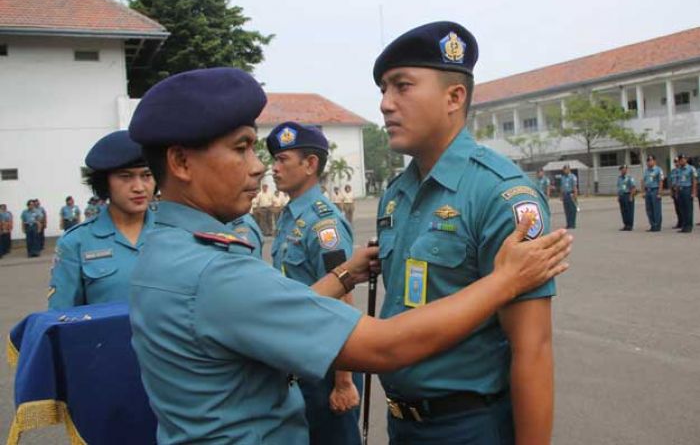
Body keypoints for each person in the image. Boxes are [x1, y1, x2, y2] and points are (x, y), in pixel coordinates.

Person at [126, 67, 571, 444]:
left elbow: (533, 346)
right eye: (241, 148)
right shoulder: (211, 269)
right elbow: (384, 346)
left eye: (403, 86)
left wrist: (342, 274)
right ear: (181, 163)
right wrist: (505, 280)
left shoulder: (166, 247)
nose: (260, 165)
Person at [373, 21, 560, 444]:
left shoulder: (501, 193)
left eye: (402, 86)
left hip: (468, 427)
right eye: (383, 89)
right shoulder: (396, 196)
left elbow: (532, 350)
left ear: (454, 97)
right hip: (402, 424)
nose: (385, 103)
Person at [268, 121, 362, 445]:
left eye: (283, 160)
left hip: (328, 367)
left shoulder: (324, 223)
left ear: (310, 165)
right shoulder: (291, 216)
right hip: (302, 359)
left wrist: (344, 381)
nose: (274, 168)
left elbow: (342, 297)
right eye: (275, 160)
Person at [48, 130, 155, 310]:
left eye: (146, 175)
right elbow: (62, 316)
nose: (139, 187)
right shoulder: (76, 242)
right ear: (104, 184)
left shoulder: (175, 232)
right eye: (125, 176)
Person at [641, 154, 663, 232]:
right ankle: (653, 225)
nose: (649, 162)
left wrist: (659, 193)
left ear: (654, 161)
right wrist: (643, 191)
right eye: (648, 161)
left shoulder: (658, 170)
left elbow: (661, 181)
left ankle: (657, 226)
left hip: (655, 190)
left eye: (651, 160)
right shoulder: (646, 170)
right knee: (649, 209)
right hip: (648, 191)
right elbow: (643, 181)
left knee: (656, 209)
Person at [676, 154, 697, 232]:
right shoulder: (678, 170)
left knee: (688, 209)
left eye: (683, 159)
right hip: (680, 190)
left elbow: (694, 181)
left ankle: (688, 226)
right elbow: (678, 182)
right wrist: (677, 192)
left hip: (687, 189)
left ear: (686, 160)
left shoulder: (691, 168)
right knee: (682, 209)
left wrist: (693, 192)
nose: (682, 161)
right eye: (680, 160)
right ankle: (684, 226)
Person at [617, 165, 636, 231]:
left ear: (626, 170)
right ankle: (625, 225)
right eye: (621, 169)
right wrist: (618, 196)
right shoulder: (619, 178)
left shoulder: (630, 177)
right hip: (622, 196)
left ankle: (630, 225)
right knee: (623, 211)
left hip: (628, 195)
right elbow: (619, 188)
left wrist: (631, 196)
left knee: (629, 211)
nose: (622, 170)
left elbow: (633, 188)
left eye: (624, 169)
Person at [560, 164, 578, 229]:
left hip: (571, 194)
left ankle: (573, 224)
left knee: (572, 210)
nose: (565, 170)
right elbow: (562, 187)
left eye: (566, 169)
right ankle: (568, 224)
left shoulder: (573, 177)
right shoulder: (562, 177)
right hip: (565, 195)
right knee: (567, 210)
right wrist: (561, 196)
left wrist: (575, 196)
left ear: (569, 169)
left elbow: (575, 187)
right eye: (564, 169)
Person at [670, 157, 681, 228]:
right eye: (675, 162)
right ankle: (680, 222)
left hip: (680, 190)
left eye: (677, 161)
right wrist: (671, 191)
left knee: (682, 208)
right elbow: (671, 181)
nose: (676, 163)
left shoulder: (682, 170)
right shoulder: (673, 171)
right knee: (677, 208)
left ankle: (684, 222)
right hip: (674, 190)